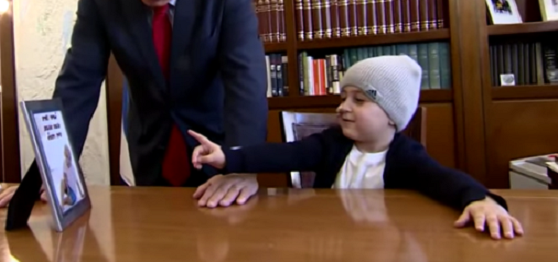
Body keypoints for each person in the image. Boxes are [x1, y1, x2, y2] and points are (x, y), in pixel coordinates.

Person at [0, 0, 267, 209]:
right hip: (150, 147)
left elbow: (245, 75)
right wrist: (48, 174)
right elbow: (78, 84)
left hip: (219, 143)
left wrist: (241, 164)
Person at [189, 55, 525, 240]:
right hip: (335, 239)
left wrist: (483, 200)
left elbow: (445, 179)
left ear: (392, 117)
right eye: (343, 97)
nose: (342, 107)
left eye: (359, 100)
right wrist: (227, 156)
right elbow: (284, 154)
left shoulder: (405, 156)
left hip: (381, 242)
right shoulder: (331, 143)